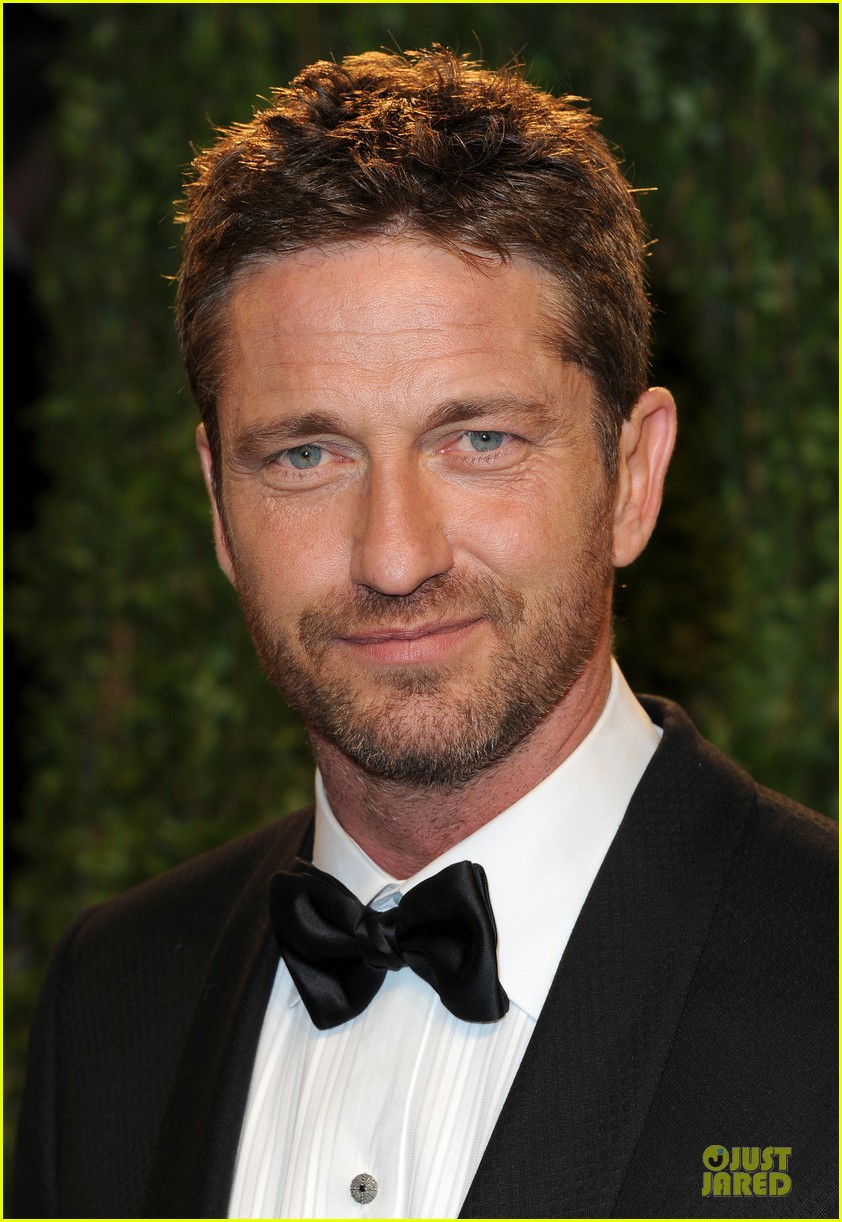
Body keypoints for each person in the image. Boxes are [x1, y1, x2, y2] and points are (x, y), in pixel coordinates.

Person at [12, 48, 836, 1220]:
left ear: (631, 477)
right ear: (218, 506)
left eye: (479, 441)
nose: (393, 556)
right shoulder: (112, 999)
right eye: (306, 455)